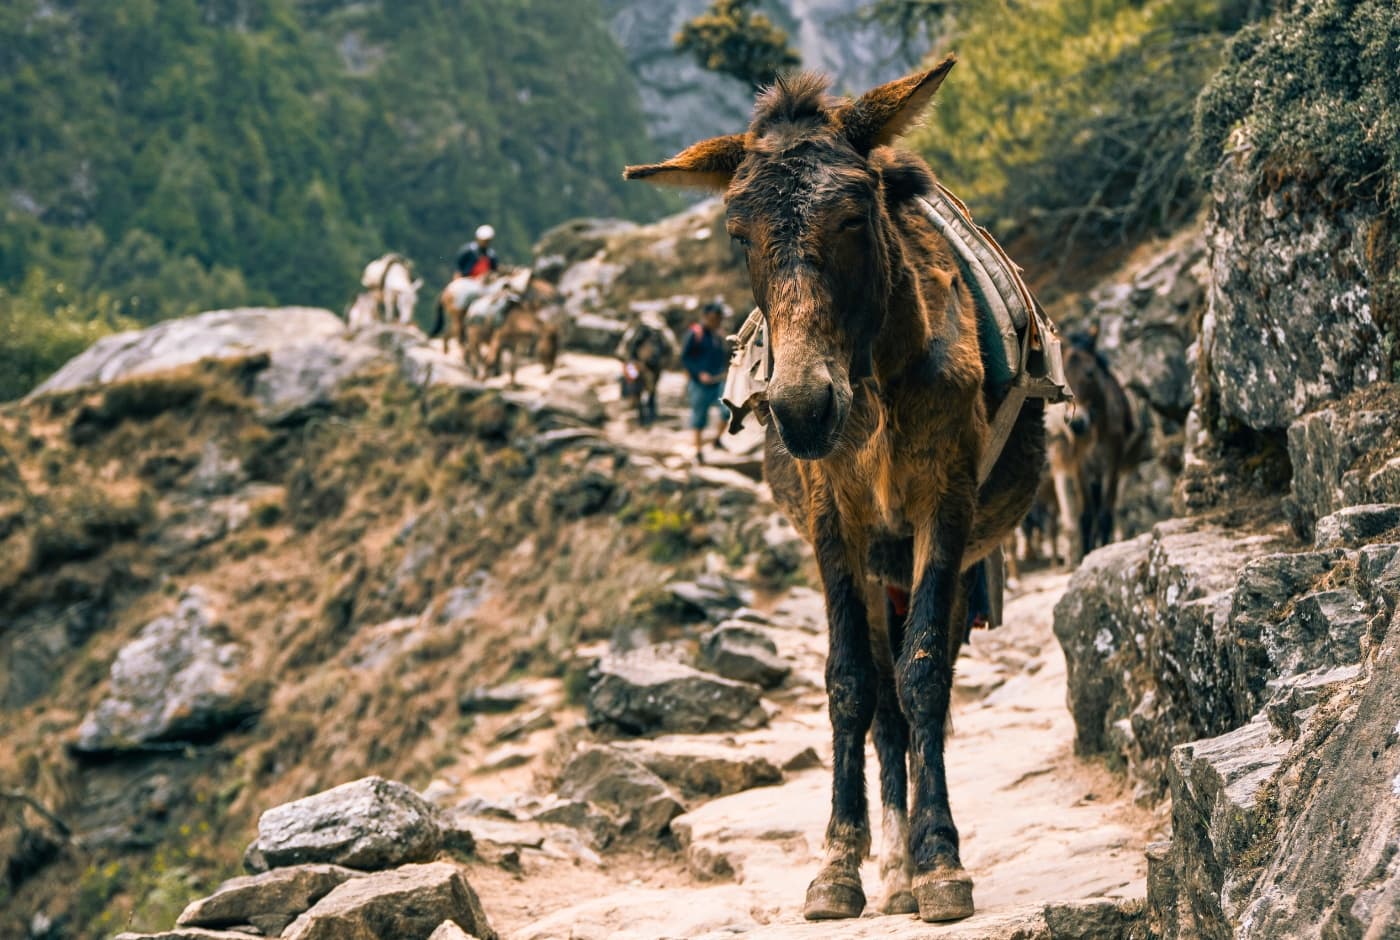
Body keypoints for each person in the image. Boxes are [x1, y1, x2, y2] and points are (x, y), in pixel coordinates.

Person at [682, 300, 731, 462]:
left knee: (727, 410)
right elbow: (685, 357)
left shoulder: (718, 335)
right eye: (713, 318)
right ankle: (698, 450)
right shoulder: (695, 333)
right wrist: (698, 374)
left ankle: (717, 439)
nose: (716, 321)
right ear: (705, 317)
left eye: (718, 318)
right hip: (699, 384)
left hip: (718, 381)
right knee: (699, 416)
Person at [615, 311, 676, 427]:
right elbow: (670, 353)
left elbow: (622, 353)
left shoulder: (635, 333)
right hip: (649, 367)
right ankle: (648, 416)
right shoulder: (662, 334)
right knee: (650, 390)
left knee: (638, 389)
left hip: (638, 366)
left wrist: (631, 365)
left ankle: (642, 416)